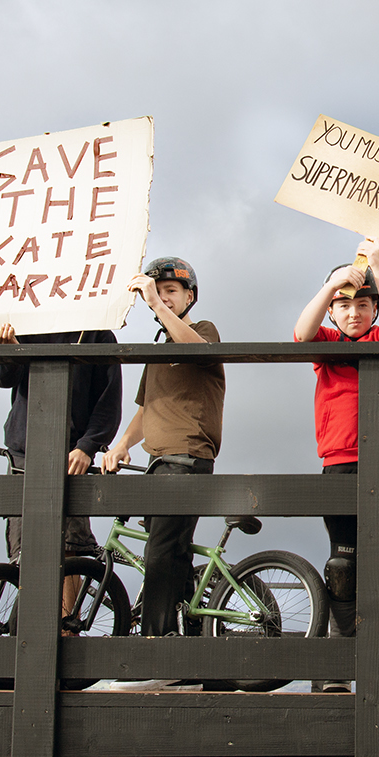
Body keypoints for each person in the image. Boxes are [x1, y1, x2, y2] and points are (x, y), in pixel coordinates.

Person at [292, 237, 379, 695]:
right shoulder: (325, 343)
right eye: (344, 305)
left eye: (363, 304)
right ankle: (340, 665)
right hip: (342, 463)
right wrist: (331, 284)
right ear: (333, 310)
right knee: (343, 565)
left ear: (373, 308)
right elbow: (302, 332)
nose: (353, 313)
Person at [102, 257, 225, 637]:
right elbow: (146, 407)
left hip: (186, 457)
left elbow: (199, 350)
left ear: (189, 296)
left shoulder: (201, 329)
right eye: (159, 291)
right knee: (172, 555)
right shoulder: (159, 347)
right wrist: (122, 444)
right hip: (158, 462)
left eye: (171, 291)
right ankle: (184, 646)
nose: (164, 297)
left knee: (159, 555)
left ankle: (156, 652)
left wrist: (155, 303)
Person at [0, 312, 122, 608]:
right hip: (25, 449)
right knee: (25, 549)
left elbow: (108, 402)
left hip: (70, 452)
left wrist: (87, 447)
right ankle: (30, 629)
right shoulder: (28, 326)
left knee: (68, 548)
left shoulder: (98, 334)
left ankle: (66, 627)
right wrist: (11, 347)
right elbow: (2, 378)